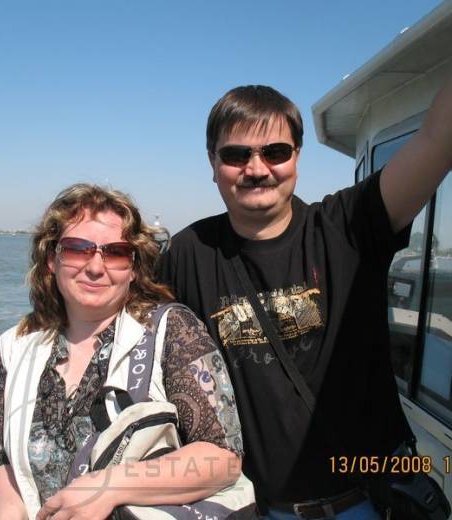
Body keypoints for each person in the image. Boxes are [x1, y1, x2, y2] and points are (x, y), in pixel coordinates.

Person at [159, 79, 452, 519]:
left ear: (297, 156)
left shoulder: (349, 225)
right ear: (212, 162)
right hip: (260, 509)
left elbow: (439, 139)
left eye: (275, 152)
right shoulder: (188, 253)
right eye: (236, 155)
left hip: (369, 503)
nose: (257, 169)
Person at [0, 184, 243, 519]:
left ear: (134, 268)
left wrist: (108, 487)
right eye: (77, 249)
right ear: (51, 259)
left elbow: (223, 458)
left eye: (116, 252)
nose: (95, 267)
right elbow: (3, 464)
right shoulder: (17, 346)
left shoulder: (172, 330)